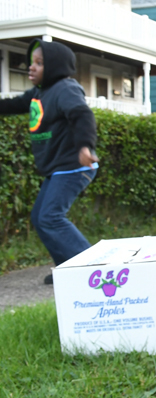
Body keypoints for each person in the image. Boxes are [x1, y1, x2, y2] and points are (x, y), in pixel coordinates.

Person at [0, 39, 98, 284]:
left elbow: (82, 115)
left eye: (39, 63)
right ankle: (67, 267)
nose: (31, 67)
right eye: (32, 62)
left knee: (50, 217)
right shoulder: (38, 94)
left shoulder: (65, 88)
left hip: (74, 166)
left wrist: (86, 146)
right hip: (58, 169)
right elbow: (13, 105)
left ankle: (94, 268)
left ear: (54, 66)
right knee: (40, 218)